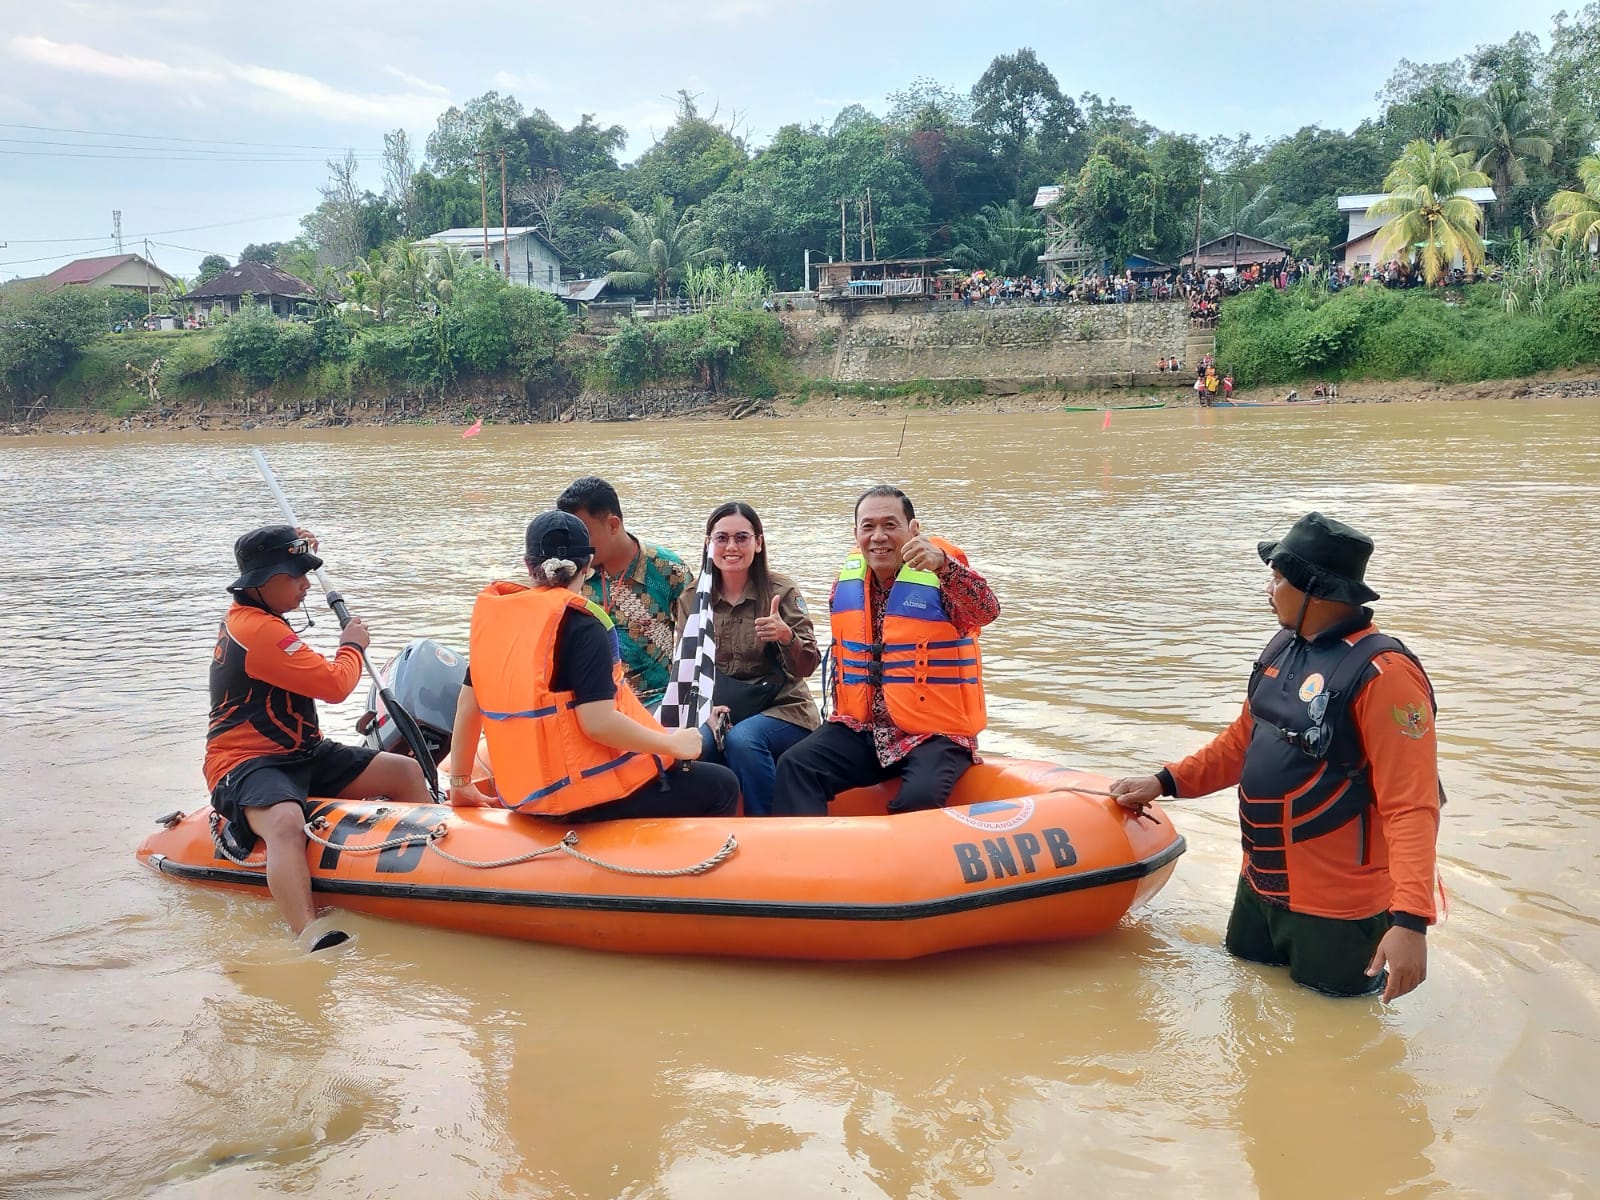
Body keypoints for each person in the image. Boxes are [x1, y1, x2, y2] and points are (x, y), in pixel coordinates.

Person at [1109, 513, 1441, 1002]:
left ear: (1315, 589)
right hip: (1259, 890)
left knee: (1338, 1042)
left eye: (1279, 578)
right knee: (1244, 1005)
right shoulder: (1284, 647)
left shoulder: (1385, 676)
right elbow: (1243, 741)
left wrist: (1411, 922)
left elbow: (1411, 805)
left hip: (1337, 912)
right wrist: (1165, 781)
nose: (1269, 588)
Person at [205, 525, 429, 950]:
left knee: (404, 771)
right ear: (266, 582)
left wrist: (302, 541)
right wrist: (351, 644)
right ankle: (307, 931)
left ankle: (435, 869)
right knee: (287, 822)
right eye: (296, 576)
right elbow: (335, 685)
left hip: (302, 752)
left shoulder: (260, 616)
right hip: (246, 762)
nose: (306, 585)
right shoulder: (259, 632)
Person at [448, 511, 738, 821]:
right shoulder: (585, 626)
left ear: (527, 564)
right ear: (587, 566)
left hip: (525, 797)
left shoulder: (498, 622)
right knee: (723, 785)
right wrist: (674, 744)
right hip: (582, 800)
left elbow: (468, 707)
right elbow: (597, 723)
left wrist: (460, 784)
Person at [772, 486, 1000, 817]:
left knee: (917, 800)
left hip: (933, 734)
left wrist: (945, 567)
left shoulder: (943, 577)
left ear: (914, 530)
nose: (879, 537)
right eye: (869, 527)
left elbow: (986, 612)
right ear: (856, 534)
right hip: (864, 729)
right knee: (795, 765)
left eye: (890, 525)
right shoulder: (846, 584)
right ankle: (807, 860)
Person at [691, 502, 821, 816]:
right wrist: (704, 709)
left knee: (742, 740)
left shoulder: (782, 591)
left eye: (742, 538)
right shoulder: (691, 598)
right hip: (721, 708)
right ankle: (708, 832)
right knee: (695, 745)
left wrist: (786, 636)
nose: (731, 547)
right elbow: (687, 668)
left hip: (783, 707)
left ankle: (767, 827)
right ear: (709, 543)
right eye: (721, 538)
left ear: (758, 543)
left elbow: (808, 665)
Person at [556, 476, 692, 709]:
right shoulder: (569, 573)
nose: (575, 546)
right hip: (589, 701)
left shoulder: (668, 571)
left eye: (583, 535)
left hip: (653, 699)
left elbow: (696, 637)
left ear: (613, 525)